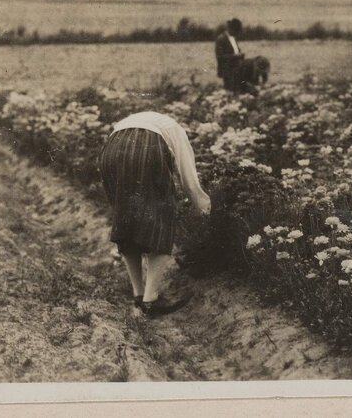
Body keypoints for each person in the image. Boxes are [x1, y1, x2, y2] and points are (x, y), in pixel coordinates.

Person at [99, 111, 211, 317]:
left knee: (127, 222)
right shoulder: (176, 130)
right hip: (146, 148)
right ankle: (151, 301)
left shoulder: (129, 121)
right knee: (162, 218)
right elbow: (189, 180)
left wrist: (119, 209)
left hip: (111, 149)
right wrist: (204, 209)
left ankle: (138, 297)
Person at [215, 18, 246, 92]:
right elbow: (219, 57)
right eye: (236, 31)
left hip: (237, 69)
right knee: (230, 91)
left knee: (237, 90)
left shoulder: (233, 38)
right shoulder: (221, 39)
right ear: (231, 29)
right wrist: (235, 56)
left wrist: (240, 55)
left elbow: (236, 50)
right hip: (227, 71)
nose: (237, 33)